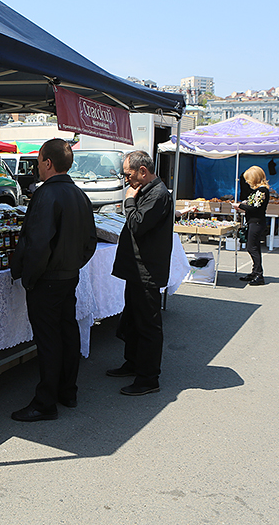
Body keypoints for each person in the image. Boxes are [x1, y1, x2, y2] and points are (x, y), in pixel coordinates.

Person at [9, 139, 96, 422]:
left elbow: (37, 244)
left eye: (38, 162)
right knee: (67, 334)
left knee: (49, 340)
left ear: (47, 163)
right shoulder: (79, 195)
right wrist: (71, 265)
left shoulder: (47, 195)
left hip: (48, 279)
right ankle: (67, 391)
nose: (37, 168)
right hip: (68, 276)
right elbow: (89, 243)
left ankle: (46, 402)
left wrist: (29, 277)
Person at [107, 150, 173, 396]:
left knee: (147, 325)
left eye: (129, 174)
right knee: (133, 319)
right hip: (137, 269)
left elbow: (137, 224)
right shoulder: (147, 191)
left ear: (142, 171)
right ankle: (133, 363)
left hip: (147, 270)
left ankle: (148, 378)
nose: (127, 180)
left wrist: (128, 200)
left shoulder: (157, 194)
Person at [231, 166, 269, 285]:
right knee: (254, 247)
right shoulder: (258, 191)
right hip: (254, 221)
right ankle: (255, 272)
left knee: (252, 248)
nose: (247, 182)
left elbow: (255, 208)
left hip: (257, 222)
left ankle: (259, 274)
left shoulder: (262, 191)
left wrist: (240, 206)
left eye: (248, 179)